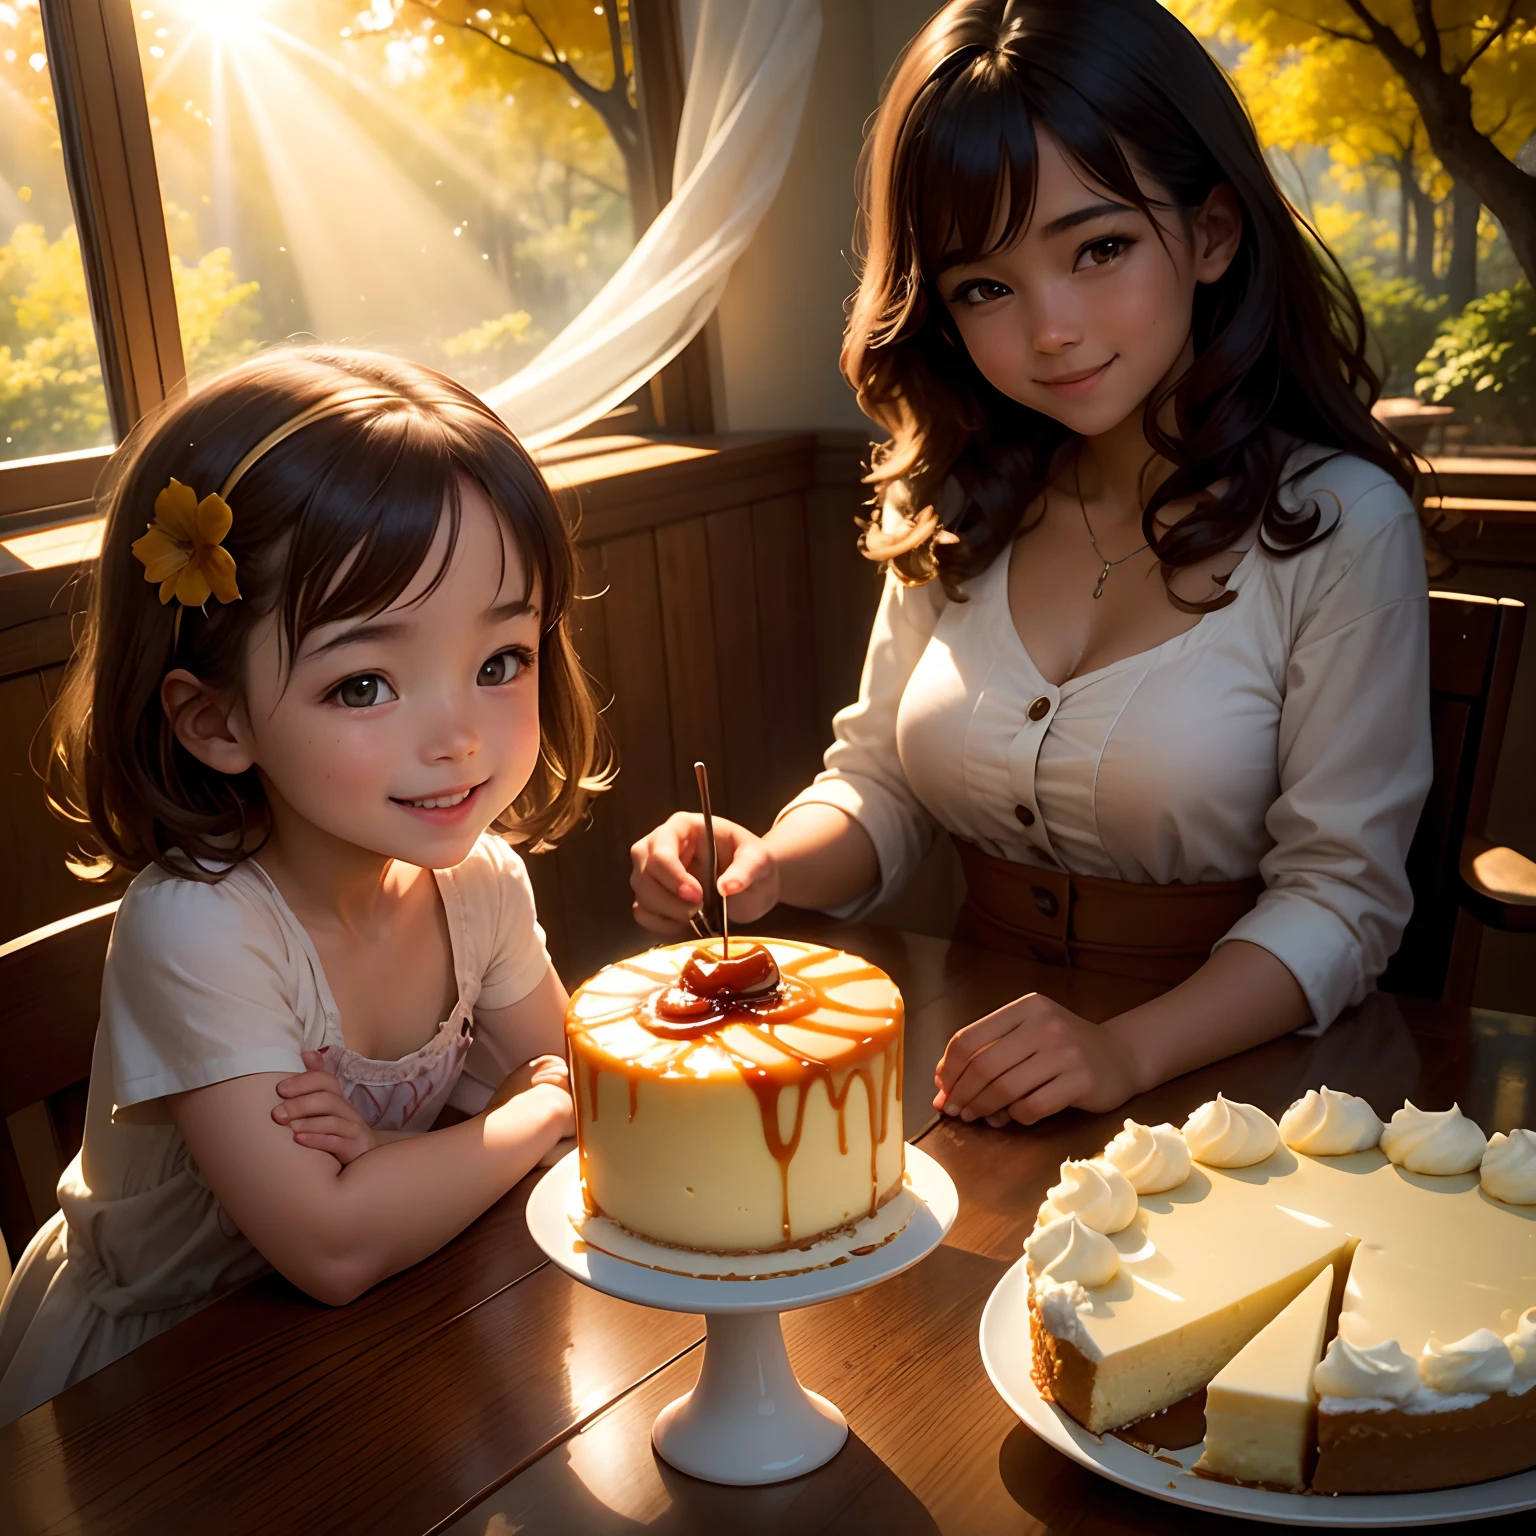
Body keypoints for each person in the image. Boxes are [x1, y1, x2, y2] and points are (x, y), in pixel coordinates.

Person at [630, 0, 1431, 1132]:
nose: (1049, 328)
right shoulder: (959, 498)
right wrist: (764, 866)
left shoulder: (1344, 527)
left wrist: (1117, 1053)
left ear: (1209, 235)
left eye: (1098, 248)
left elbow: (1343, 900)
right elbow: (880, 783)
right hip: (980, 1069)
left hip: (1247, 1098)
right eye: (984, 288)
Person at [0, 347, 610, 1424]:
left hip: (380, 1345)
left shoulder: (480, 885)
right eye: (365, 682)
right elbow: (332, 1243)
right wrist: (530, 1115)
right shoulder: (196, 928)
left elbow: (592, 1100)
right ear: (216, 720)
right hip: (154, 1386)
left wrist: (398, 1158)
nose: (460, 739)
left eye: (501, 659)